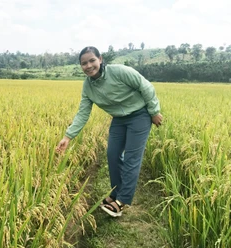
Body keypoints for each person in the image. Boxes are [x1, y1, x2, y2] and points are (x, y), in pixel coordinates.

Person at [56, 46, 163, 217]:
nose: (89, 65)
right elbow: (83, 112)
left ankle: (122, 201)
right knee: (112, 155)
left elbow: (146, 86)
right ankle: (115, 192)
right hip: (119, 119)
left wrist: (154, 111)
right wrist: (68, 137)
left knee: (131, 158)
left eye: (92, 60)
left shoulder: (120, 72)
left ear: (100, 59)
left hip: (140, 115)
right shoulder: (88, 87)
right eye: (84, 63)